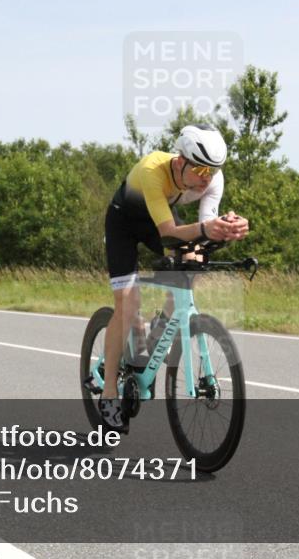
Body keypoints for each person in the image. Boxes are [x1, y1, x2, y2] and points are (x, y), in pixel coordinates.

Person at [99, 125, 249, 431]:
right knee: (128, 304)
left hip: (160, 216)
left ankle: (158, 330)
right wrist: (208, 230)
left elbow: (205, 227)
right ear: (180, 161)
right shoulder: (153, 170)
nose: (207, 178)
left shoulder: (211, 178)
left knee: (193, 259)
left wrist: (228, 228)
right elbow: (168, 233)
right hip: (125, 223)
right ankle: (108, 393)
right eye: (201, 169)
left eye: (214, 170)